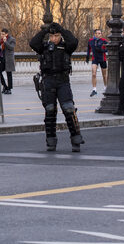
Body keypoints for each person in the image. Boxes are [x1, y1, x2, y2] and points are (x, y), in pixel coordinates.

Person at [29, 22, 84, 152]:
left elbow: (74, 42)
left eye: (57, 36)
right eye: (52, 36)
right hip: (48, 80)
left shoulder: (66, 47)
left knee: (69, 109)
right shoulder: (44, 47)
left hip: (63, 80)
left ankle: (76, 139)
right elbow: (33, 43)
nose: (54, 38)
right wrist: (45, 30)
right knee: (50, 111)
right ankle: (51, 141)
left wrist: (63, 30)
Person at [85, 28, 108, 97]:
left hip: (102, 59)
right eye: (96, 33)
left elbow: (108, 48)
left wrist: (102, 50)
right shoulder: (91, 41)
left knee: (104, 75)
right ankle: (94, 89)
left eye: (99, 33)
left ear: (101, 34)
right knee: (94, 73)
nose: (98, 35)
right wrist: (87, 56)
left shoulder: (104, 41)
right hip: (95, 59)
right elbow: (89, 49)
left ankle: (106, 87)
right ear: (94, 34)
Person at [0, 28, 15, 94]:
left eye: (3, 34)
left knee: (9, 74)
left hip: (8, 59)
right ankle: (5, 86)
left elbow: (11, 47)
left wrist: (5, 42)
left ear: (6, 34)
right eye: (1, 34)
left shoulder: (12, 39)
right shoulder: (1, 40)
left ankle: (9, 88)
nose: (2, 35)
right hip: (2, 59)